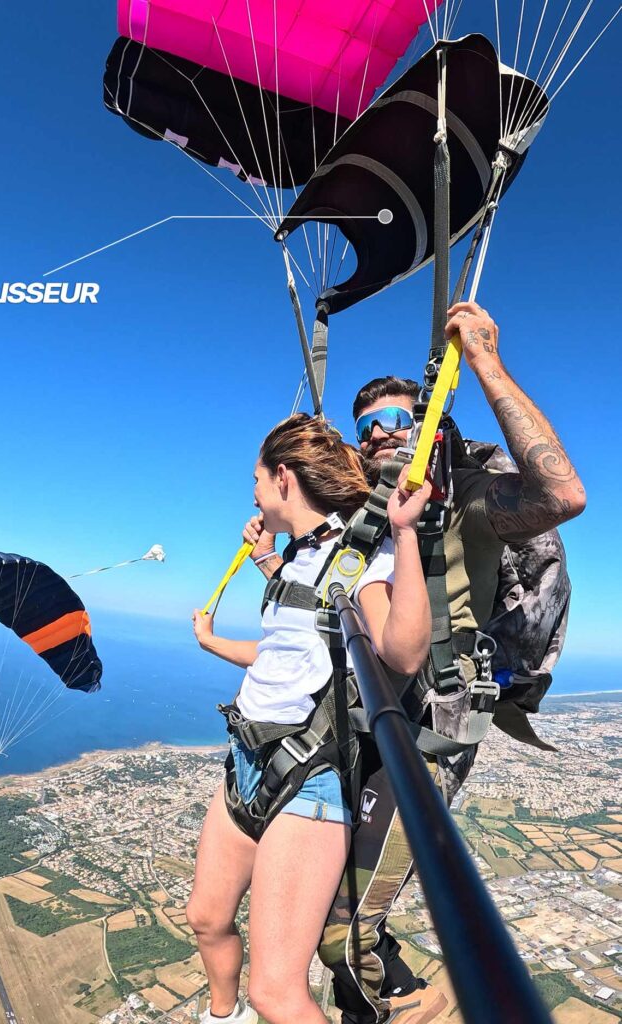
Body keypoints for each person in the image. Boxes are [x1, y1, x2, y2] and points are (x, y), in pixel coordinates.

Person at [247, 301, 586, 1023]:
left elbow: (561, 494)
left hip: (425, 727)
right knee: (314, 908)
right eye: (367, 426)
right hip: (356, 723)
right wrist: (272, 561)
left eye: (401, 418)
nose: (382, 435)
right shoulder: (367, 514)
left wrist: (485, 362)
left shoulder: (467, 499)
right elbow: (334, 590)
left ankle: (408, 1005)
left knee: (341, 935)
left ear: (432, 420)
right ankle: (385, 992)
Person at [189, 413, 433, 1024]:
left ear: (282, 477)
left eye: (256, 479)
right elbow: (287, 649)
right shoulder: (297, 556)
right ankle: (223, 1019)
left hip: (307, 782)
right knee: (207, 919)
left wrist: (403, 537)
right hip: (245, 764)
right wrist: (218, 641)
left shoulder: (359, 560)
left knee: (276, 991)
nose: (251, 492)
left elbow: (401, 652)